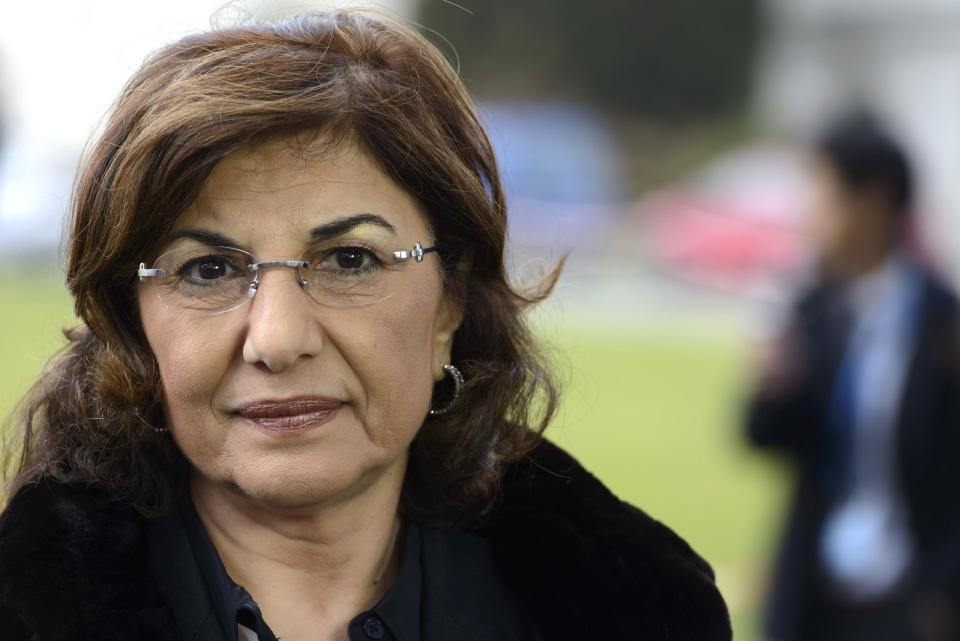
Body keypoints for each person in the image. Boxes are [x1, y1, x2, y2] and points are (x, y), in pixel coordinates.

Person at [0, 11, 730, 641]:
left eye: (349, 259)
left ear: (451, 301)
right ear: (133, 321)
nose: (278, 338)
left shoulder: (633, 608)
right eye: (208, 270)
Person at [746, 112, 960, 641]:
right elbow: (764, 436)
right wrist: (773, 387)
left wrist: (944, 591)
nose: (807, 213)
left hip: (913, 602)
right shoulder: (810, 310)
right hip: (818, 596)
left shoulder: (943, 323)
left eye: (821, 193)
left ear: (872, 203)